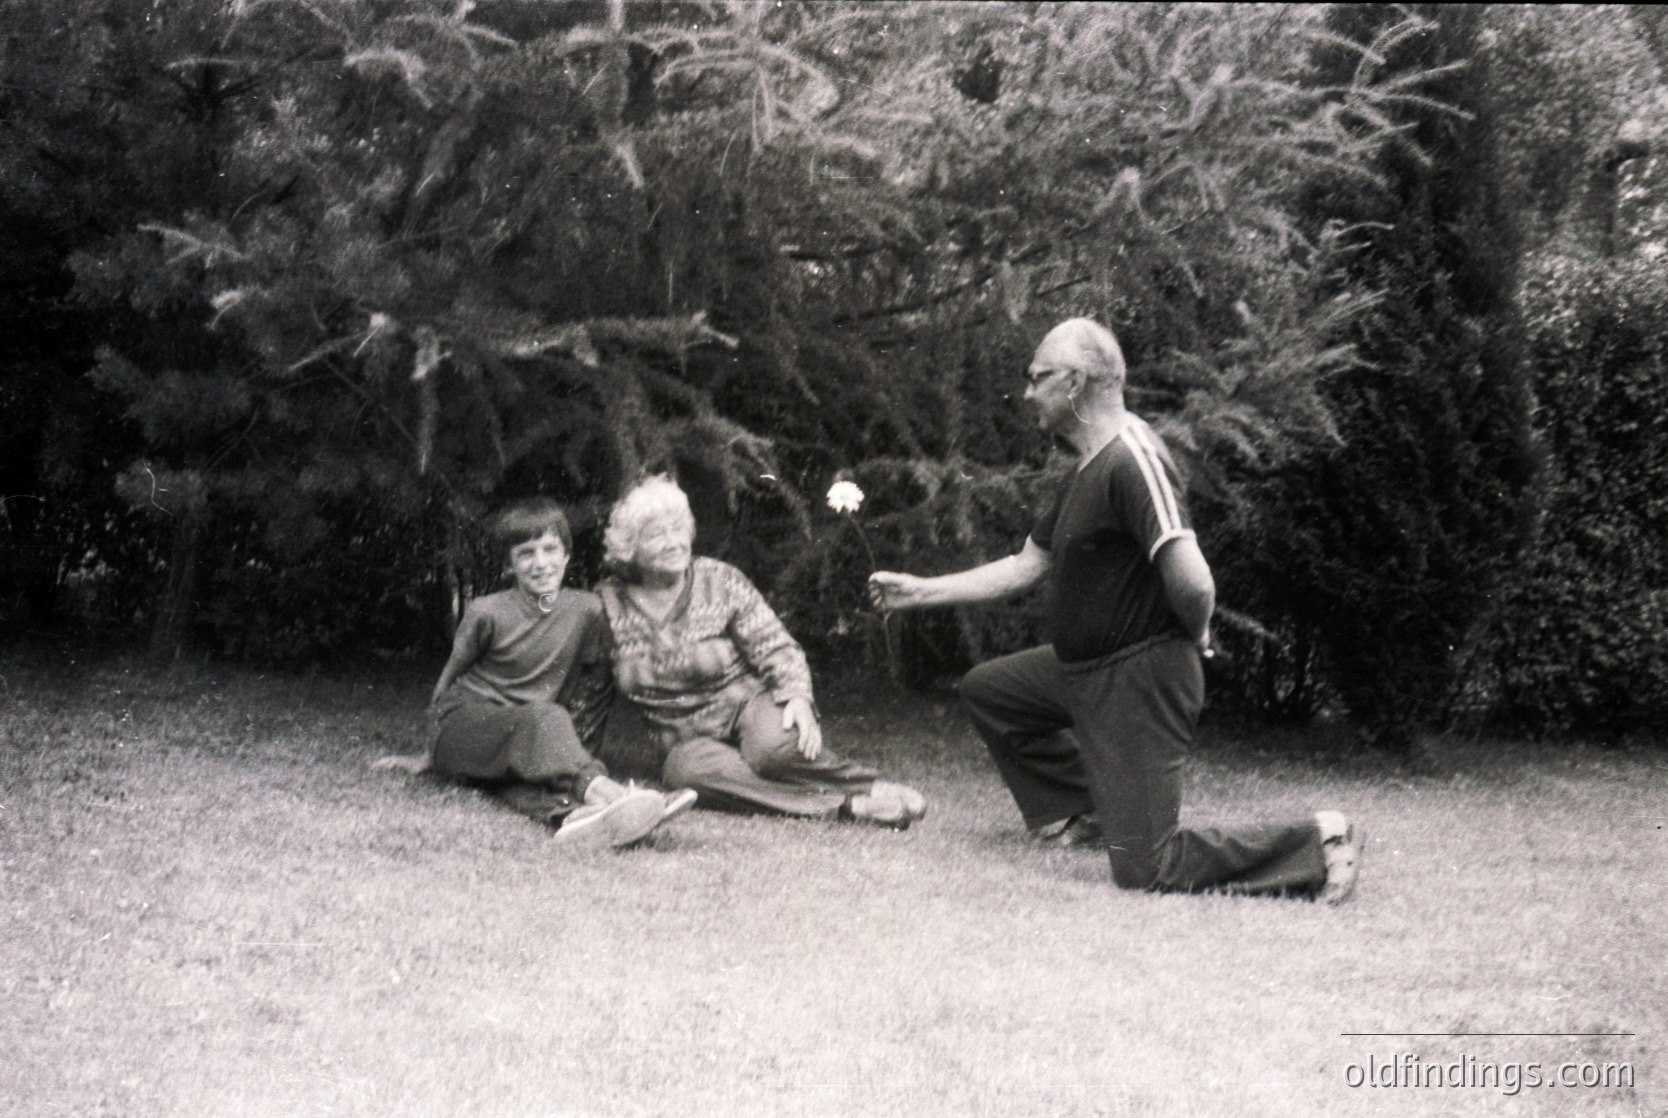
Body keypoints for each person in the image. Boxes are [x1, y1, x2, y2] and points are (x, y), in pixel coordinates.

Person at [869, 318, 1363, 902]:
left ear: (1075, 382)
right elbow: (1027, 565)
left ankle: (1317, 842)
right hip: (1082, 672)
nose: (1027, 392)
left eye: (1037, 378)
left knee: (1146, 868)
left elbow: (1195, 581)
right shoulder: (1088, 466)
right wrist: (920, 591)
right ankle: (1088, 816)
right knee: (991, 691)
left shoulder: (1134, 459)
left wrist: (1195, 632)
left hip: (1137, 681)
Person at [596, 475, 927, 828]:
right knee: (686, 774)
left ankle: (869, 785)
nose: (674, 542)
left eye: (678, 529)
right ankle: (845, 807)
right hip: (687, 738)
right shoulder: (606, 604)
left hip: (747, 706)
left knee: (773, 751)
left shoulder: (720, 579)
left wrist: (797, 695)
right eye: (657, 534)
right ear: (629, 547)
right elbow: (591, 689)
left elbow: (775, 645)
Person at [373, 498, 692, 849]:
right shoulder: (486, 612)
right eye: (526, 553)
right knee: (542, 719)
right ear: (509, 564)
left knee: (519, 768)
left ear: (567, 555)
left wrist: (569, 743)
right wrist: (430, 753)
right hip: (463, 728)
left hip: (524, 737)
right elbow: (450, 678)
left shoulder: (585, 610)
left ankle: (572, 817)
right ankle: (614, 795)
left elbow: (579, 681)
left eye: (550, 549)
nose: (540, 563)